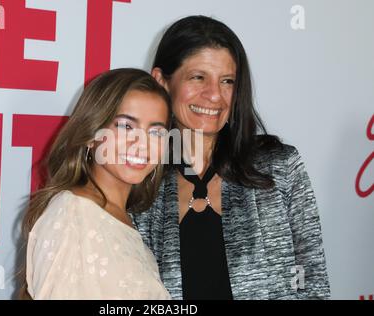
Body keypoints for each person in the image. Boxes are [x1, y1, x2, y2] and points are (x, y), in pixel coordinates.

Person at [131, 16, 331, 300]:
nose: (215, 96)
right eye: (198, 77)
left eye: (227, 81)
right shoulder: (139, 179)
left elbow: (312, 281)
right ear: (162, 81)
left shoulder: (280, 167)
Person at [21, 68, 172, 299]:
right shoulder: (73, 214)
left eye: (156, 132)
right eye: (125, 126)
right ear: (91, 134)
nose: (143, 144)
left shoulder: (120, 217)